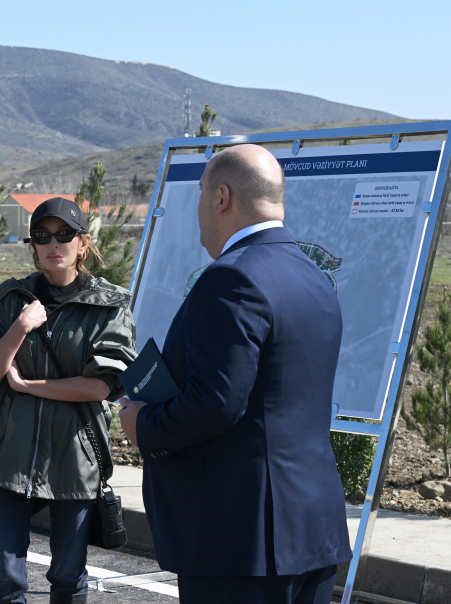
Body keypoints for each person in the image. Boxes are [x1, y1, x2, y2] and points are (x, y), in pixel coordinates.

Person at [119, 144, 352, 604]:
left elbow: (216, 401)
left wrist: (142, 423)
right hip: (313, 526)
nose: (199, 205)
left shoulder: (231, 277)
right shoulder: (313, 276)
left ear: (221, 197)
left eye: (201, 191)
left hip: (242, 535)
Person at [0, 197, 137, 604]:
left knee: (68, 576)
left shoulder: (109, 306)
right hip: (8, 452)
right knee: (6, 579)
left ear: (83, 243)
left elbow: (98, 388)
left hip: (76, 455)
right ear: (33, 246)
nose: (53, 244)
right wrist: (19, 328)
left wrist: (27, 385)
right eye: (42, 236)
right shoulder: (8, 301)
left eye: (64, 234)